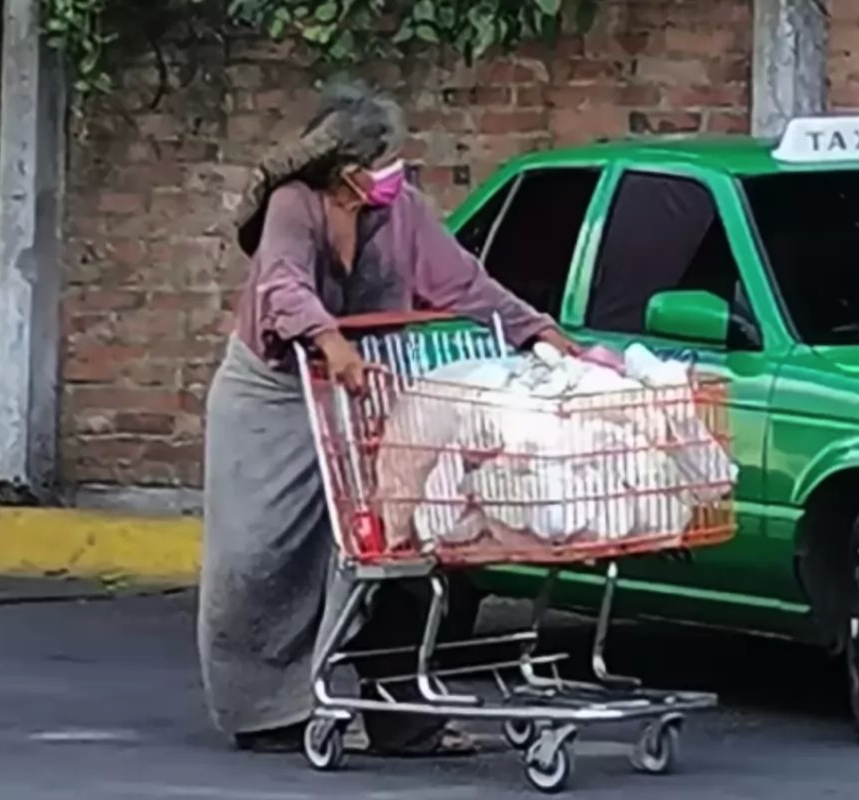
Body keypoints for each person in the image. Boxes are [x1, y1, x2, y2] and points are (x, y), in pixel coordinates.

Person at [197, 80, 577, 757]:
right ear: (347, 171)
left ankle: (403, 717)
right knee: (262, 557)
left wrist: (537, 333)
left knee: (395, 546)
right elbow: (282, 284)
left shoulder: (404, 211)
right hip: (276, 395)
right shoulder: (295, 205)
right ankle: (266, 711)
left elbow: (464, 283)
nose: (392, 171)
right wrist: (328, 340)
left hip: (366, 390)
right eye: (382, 160)